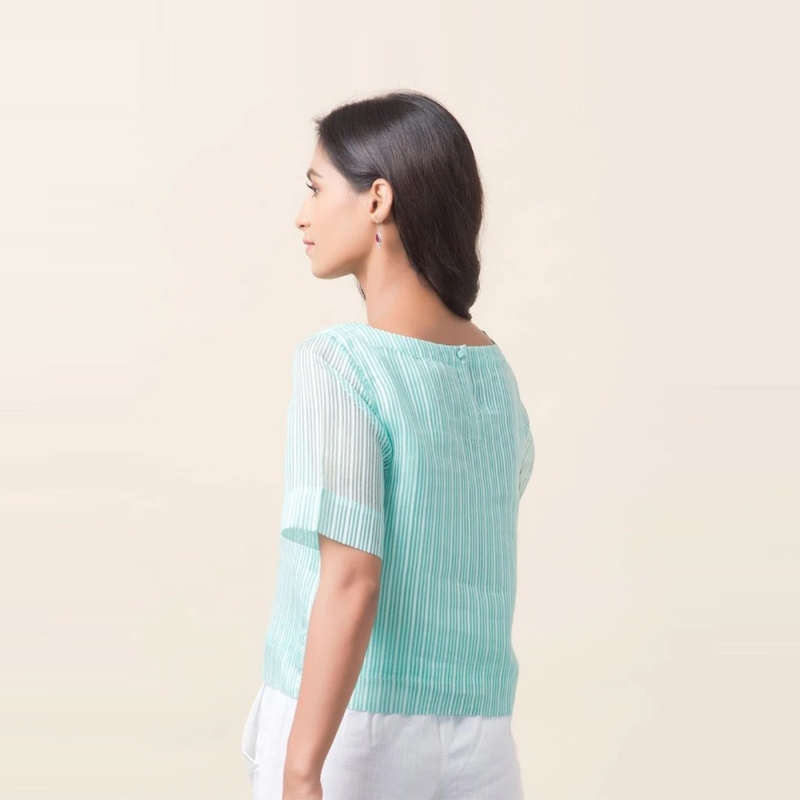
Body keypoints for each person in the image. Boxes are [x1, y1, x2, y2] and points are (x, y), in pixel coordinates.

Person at [241, 90, 535, 800]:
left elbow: (352, 579)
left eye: (316, 188)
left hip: (349, 734)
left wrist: (301, 771)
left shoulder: (341, 363)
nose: (302, 215)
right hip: (483, 740)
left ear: (377, 199)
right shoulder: (495, 377)